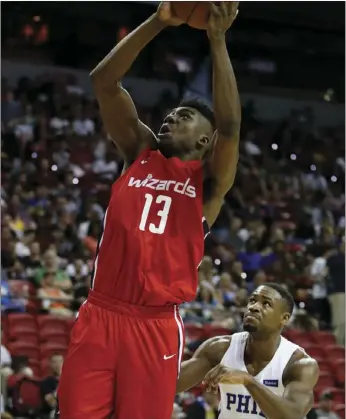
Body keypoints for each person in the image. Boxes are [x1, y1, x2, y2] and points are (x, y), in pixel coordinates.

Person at [57, 2, 241, 419]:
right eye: (174, 113)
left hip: (153, 324)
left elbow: (230, 128)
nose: (173, 117)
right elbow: (104, 81)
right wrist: (158, 21)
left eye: (187, 117)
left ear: (204, 143)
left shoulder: (208, 184)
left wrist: (217, 40)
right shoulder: (139, 152)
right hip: (100, 313)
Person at [176, 283, 320, 419]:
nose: (254, 307)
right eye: (252, 300)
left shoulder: (298, 364)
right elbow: (170, 385)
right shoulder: (220, 348)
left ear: (284, 318)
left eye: (266, 304)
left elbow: (291, 416)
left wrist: (248, 381)